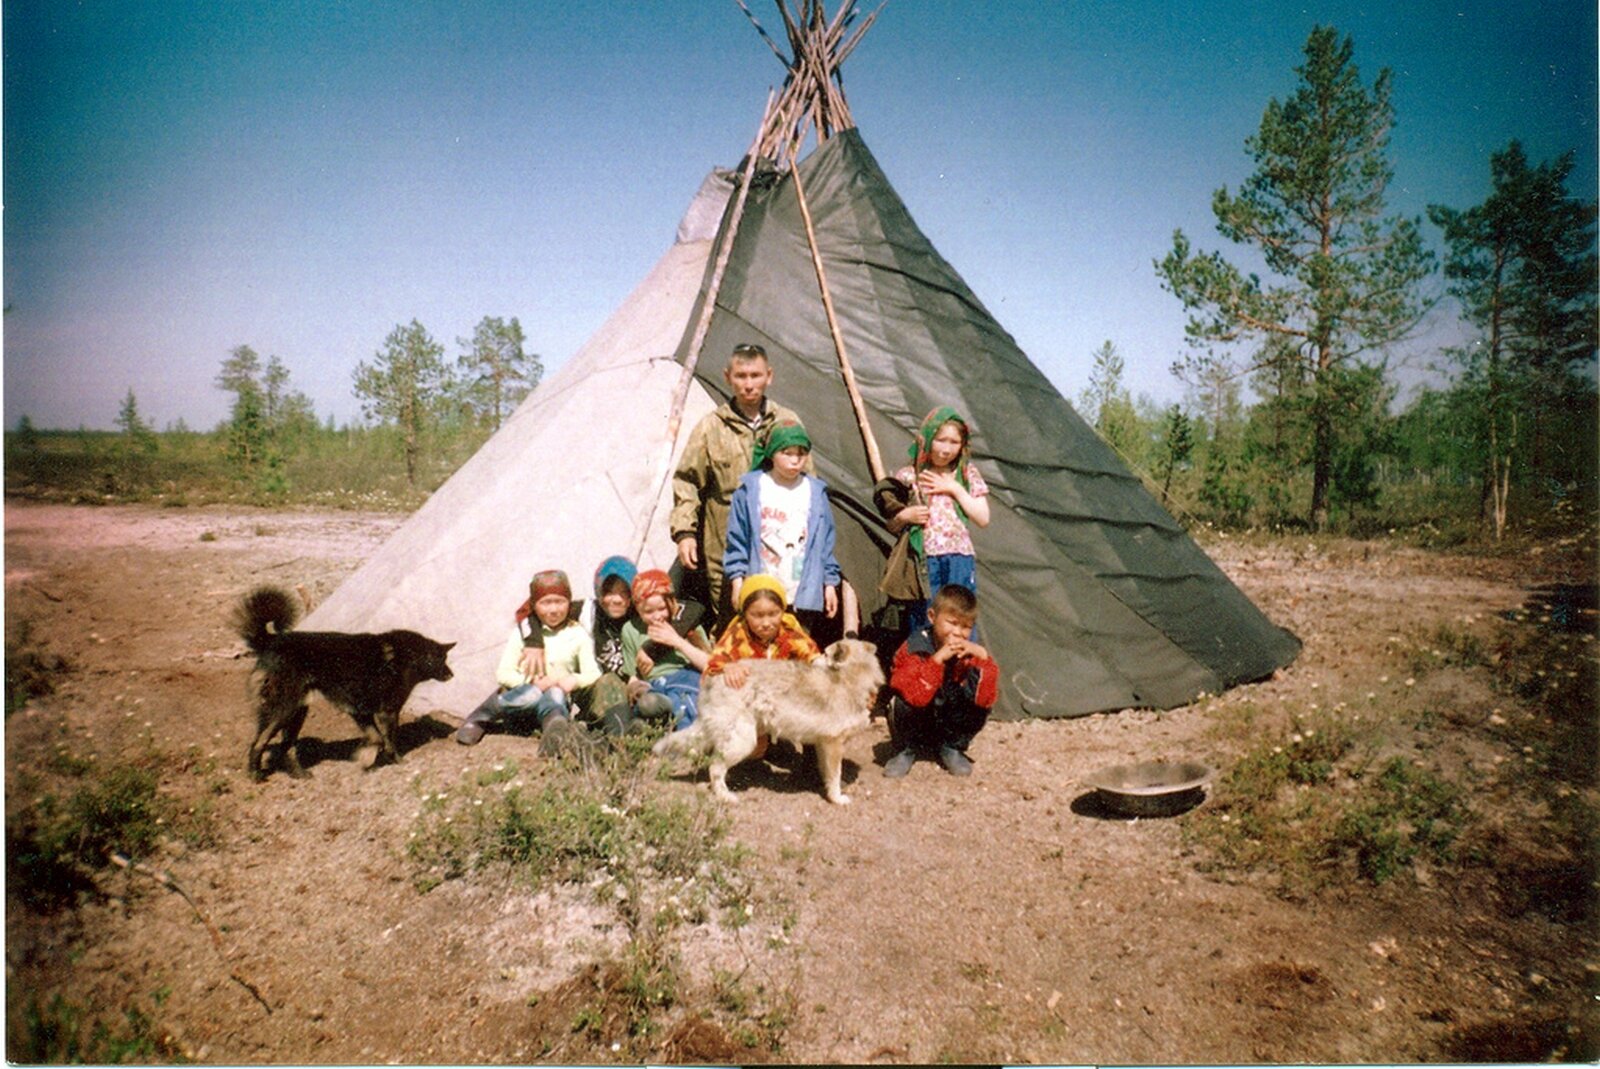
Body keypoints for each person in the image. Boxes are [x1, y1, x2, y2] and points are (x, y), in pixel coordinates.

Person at [670, 343, 803, 631]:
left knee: (780, 620)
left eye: (755, 375)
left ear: (769, 376)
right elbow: (687, 481)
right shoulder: (711, 427)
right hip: (725, 543)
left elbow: (809, 484)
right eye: (741, 376)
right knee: (734, 620)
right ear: (728, 376)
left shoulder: (786, 422)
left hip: (780, 542)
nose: (748, 384)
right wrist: (684, 533)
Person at [455, 570, 600, 755]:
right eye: (546, 603)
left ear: (569, 602)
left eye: (560, 602)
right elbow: (504, 673)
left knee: (555, 694)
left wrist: (573, 680)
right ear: (534, 605)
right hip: (519, 703)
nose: (554, 609)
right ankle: (478, 719)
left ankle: (553, 733)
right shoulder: (523, 634)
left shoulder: (577, 633)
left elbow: (593, 673)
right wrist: (533, 684)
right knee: (531, 694)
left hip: (555, 701)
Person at [723, 419, 842, 641]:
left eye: (801, 453)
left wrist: (829, 584)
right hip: (762, 587)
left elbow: (825, 543)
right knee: (760, 653)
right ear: (772, 453)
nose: (795, 460)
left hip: (801, 590)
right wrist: (737, 580)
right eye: (787, 453)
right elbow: (737, 539)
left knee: (797, 651)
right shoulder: (751, 490)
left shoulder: (815, 493)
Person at [884, 406, 990, 630]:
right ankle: (926, 665)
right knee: (925, 618)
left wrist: (954, 489)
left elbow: (983, 518)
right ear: (928, 439)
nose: (946, 449)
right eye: (941, 440)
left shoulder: (965, 474)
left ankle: (958, 665)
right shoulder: (908, 475)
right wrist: (906, 515)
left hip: (959, 558)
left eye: (954, 442)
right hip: (924, 559)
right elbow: (891, 524)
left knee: (960, 619)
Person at [883, 583, 999, 778]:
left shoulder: (968, 651)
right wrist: (937, 660)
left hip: (945, 718)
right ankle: (906, 750)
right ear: (932, 617)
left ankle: (951, 747)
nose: (958, 633)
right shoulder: (914, 648)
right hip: (917, 717)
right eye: (952, 623)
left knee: (980, 698)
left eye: (966, 627)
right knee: (900, 702)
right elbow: (914, 697)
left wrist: (983, 657)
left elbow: (985, 697)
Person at [704, 574, 823, 762]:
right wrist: (728, 667)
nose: (766, 623)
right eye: (757, 615)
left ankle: (810, 766)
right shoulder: (737, 635)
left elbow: (814, 658)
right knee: (750, 749)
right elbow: (713, 666)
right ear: (745, 613)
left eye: (773, 614)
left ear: (782, 611)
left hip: (778, 704)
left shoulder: (789, 631)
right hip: (748, 708)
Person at [621, 569, 712, 731]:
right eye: (648, 612)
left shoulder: (687, 624)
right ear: (637, 609)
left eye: (662, 608)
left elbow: (710, 666)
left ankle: (684, 733)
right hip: (655, 686)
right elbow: (633, 677)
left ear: (671, 603)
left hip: (687, 680)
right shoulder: (630, 629)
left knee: (685, 701)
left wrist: (677, 641)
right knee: (647, 704)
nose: (657, 616)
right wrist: (635, 688)